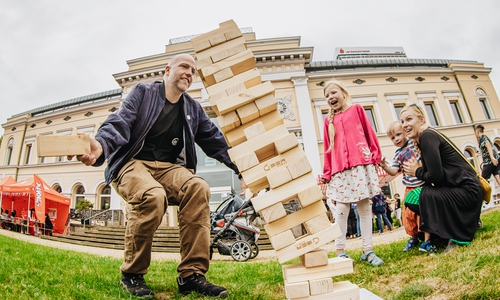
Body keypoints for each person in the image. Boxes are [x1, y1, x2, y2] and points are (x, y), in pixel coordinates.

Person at [73, 54, 246, 298]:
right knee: (152, 195)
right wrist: (100, 145)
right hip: (132, 163)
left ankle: (191, 275)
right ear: (167, 70)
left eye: (193, 70)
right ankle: (132, 273)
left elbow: (217, 143)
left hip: (167, 168)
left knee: (198, 187)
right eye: (184, 66)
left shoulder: (192, 108)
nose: (189, 73)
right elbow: (119, 122)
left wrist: (244, 169)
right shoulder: (142, 93)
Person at [401, 103, 483, 253]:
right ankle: (455, 225)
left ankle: (457, 231)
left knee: (414, 197)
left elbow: (436, 178)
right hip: (465, 191)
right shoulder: (426, 137)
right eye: (402, 121)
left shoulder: (427, 136)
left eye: (409, 119)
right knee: (415, 197)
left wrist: (417, 171)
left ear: (421, 119)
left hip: (467, 191)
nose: (405, 125)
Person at [320, 79, 384, 266]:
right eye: (327, 96)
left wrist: (375, 155)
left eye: (333, 92)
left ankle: (368, 250)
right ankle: (340, 251)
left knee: (364, 207)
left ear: (343, 93)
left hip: (360, 164)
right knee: (341, 209)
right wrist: (327, 173)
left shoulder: (357, 109)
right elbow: (327, 148)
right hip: (339, 169)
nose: (331, 97)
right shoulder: (327, 121)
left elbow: (369, 132)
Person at [380, 120, 425, 251]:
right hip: (409, 187)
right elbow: (394, 171)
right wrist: (384, 166)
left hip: (422, 183)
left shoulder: (415, 143)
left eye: (398, 134)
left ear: (405, 132)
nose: (396, 139)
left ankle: (426, 234)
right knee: (408, 214)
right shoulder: (397, 154)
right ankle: (413, 237)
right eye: (393, 138)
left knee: (422, 211)